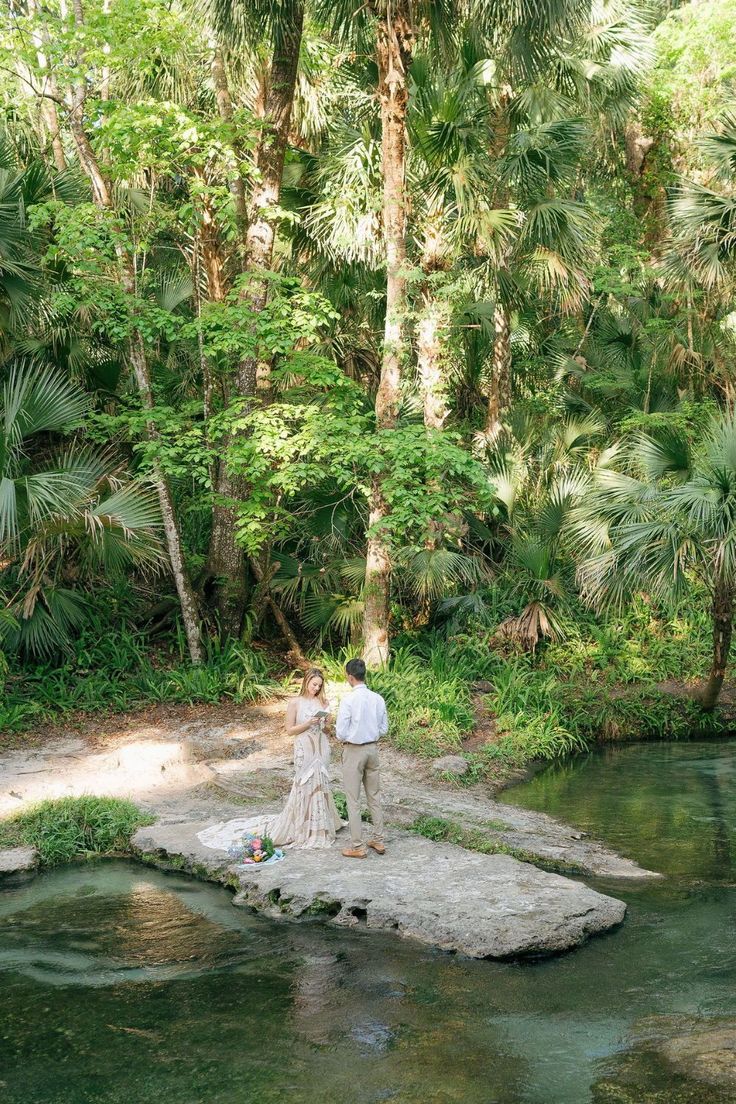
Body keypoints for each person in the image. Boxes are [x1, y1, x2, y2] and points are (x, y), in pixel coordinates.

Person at [197, 667, 342, 852]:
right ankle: (302, 827)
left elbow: (327, 731)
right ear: (306, 682)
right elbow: (289, 730)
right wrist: (307, 723)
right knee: (305, 782)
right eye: (314, 684)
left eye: (319, 686)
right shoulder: (295, 703)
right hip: (304, 747)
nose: (316, 688)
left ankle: (321, 826)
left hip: (321, 747)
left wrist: (326, 722)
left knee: (321, 781)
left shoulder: (323, 701)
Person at [335, 658, 388, 859]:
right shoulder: (378, 698)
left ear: (350, 677)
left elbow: (340, 732)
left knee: (353, 798)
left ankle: (357, 845)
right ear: (364, 674)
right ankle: (379, 840)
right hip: (373, 750)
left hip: (354, 751)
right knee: (374, 795)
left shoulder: (348, 700)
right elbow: (384, 728)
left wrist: (350, 736)